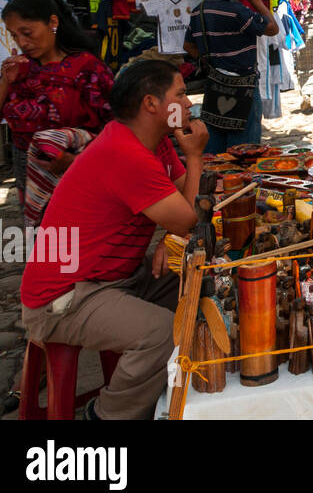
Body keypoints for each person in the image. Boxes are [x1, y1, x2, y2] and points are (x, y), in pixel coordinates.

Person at [19, 59, 208, 420]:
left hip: (114, 277)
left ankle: (169, 389)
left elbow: (185, 201)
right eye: (180, 94)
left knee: (200, 280)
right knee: (164, 334)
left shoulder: (155, 142)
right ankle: (105, 415)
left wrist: (171, 234)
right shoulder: (125, 152)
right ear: (151, 104)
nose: (189, 103)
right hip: (66, 295)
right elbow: (187, 217)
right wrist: (195, 156)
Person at [0, 0, 113, 220]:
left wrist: (77, 160)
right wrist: (4, 83)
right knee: (46, 247)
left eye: (27, 33)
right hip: (30, 182)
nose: (21, 42)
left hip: (81, 173)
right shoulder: (19, 70)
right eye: (14, 35)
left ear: (53, 22)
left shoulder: (87, 69)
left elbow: (118, 127)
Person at [185, 0, 279, 154]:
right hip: (243, 91)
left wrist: (209, 60)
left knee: (216, 154)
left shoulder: (199, 11)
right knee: (244, 154)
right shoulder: (238, 11)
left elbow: (188, 45)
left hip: (213, 89)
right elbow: (272, 28)